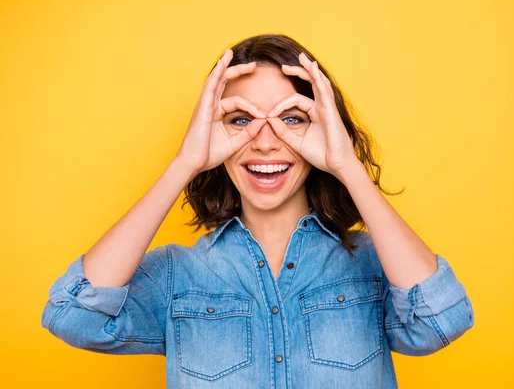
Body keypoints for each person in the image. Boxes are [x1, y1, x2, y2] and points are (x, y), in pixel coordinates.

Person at [41, 34, 474, 388]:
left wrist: (347, 167)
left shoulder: (374, 263)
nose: (265, 142)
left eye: (291, 118)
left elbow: (442, 320)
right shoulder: (176, 277)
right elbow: (72, 316)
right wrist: (184, 164)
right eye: (241, 119)